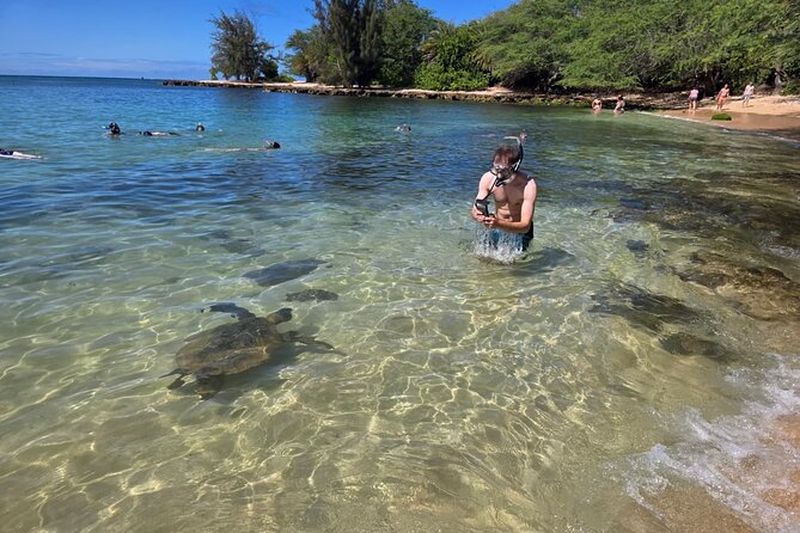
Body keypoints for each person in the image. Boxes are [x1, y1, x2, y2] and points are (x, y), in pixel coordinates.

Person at [471, 135, 537, 251]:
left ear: (515, 167)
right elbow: (476, 207)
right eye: (497, 169)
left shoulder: (528, 185)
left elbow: (525, 226)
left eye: (504, 170)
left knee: (516, 262)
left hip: (519, 231)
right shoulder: (488, 178)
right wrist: (477, 215)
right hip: (497, 226)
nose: (499, 174)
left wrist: (499, 224)